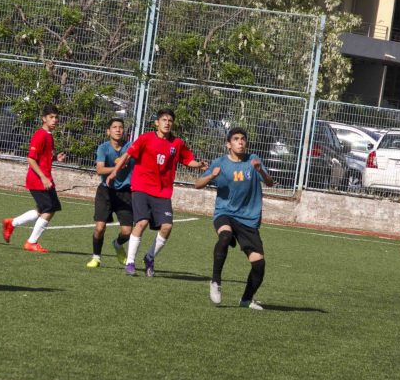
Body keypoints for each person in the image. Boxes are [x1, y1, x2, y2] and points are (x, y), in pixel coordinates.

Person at [106, 108, 208, 276]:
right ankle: (130, 263)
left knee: (167, 226)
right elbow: (127, 155)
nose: (167, 123)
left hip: (162, 191)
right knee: (142, 222)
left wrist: (198, 165)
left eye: (170, 121)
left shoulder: (177, 143)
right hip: (141, 187)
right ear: (157, 123)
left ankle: (149, 257)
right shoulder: (145, 138)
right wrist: (114, 172)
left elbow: (187, 159)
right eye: (164, 120)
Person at [195, 127, 274, 309]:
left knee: (259, 264)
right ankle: (215, 281)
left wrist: (260, 170)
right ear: (228, 144)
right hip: (225, 213)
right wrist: (210, 177)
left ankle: (246, 300)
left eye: (243, 139)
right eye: (236, 139)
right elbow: (198, 184)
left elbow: (270, 182)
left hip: (248, 219)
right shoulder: (220, 163)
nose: (240, 142)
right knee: (225, 237)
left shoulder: (253, 161)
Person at [2, 104, 66, 254]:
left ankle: (11, 223)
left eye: (56, 117)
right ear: (44, 119)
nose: (55, 120)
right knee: (49, 209)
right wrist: (43, 177)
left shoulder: (49, 135)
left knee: (43, 209)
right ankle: (31, 242)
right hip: (38, 180)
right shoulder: (40, 135)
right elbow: (31, 159)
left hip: (44, 179)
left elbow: (44, 158)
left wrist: (55, 158)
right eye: (51, 117)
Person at [87, 118, 134, 268]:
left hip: (125, 193)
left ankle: (117, 244)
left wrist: (122, 161)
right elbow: (100, 170)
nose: (118, 130)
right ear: (108, 131)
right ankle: (96, 257)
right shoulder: (103, 148)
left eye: (121, 127)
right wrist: (118, 166)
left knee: (127, 232)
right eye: (114, 127)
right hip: (105, 191)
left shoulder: (129, 147)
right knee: (100, 227)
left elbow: (132, 157)